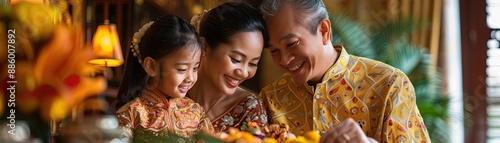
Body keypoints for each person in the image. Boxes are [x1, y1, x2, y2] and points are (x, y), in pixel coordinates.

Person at [258, 0, 431, 143]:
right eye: (274, 51)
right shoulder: (271, 98)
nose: (284, 60)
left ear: (324, 30)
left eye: (291, 44)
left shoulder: (389, 85)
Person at [115, 14, 213, 142]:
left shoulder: (195, 112)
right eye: (182, 69)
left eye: (195, 68)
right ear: (151, 66)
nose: (190, 77)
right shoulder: (131, 114)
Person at [188, 2, 269, 133]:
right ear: (205, 46)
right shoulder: (171, 89)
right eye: (236, 59)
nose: (243, 73)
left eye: (253, 64)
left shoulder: (250, 110)